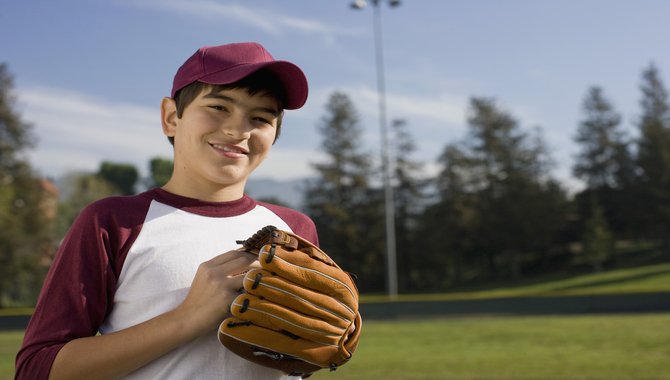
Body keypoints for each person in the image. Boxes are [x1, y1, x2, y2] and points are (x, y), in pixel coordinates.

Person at [15, 42, 316, 380]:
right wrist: (188, 317)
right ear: (172, 117)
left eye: (260, 117)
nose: (238, 130)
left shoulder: (295, 229)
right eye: (219, 106)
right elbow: (37, 369)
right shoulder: (114, 222)